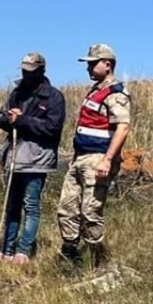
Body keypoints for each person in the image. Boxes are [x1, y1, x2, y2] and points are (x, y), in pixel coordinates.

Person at [56, 43, 133, 270]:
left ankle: (97, 259)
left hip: (98, 158)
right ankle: (70, 253)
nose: (88, 68)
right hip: (80, 157)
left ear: (107, 65)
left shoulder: (115, 93)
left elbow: (123, 127)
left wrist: (107, 159)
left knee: (91, 211)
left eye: (93, 63)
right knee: (66, 208)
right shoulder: (95, 90)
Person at [0, 52, 66, 264]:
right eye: (24, 71)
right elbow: (0, 118)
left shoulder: (54, 97)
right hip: (14, 157)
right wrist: (8, 118)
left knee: (31, 205)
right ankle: (6, 250)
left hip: (36, 159)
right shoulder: (16, 93)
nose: (27, 75)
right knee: (12, 205)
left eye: (31, 71)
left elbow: (52, 129)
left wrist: (23, 120)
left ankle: (23, 250)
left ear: (42, 71)